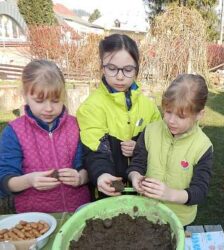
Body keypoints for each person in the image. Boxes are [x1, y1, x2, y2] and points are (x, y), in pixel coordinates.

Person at [77, 34, 161, 198]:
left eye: (128, 70)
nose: (120, 76)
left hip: (143, 187)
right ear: (102, 66)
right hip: (111, 188)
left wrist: (139, 146)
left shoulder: (149, 107)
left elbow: (161, 142)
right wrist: (102, 175)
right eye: (112, 68)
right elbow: (95, 152)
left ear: (137, 68)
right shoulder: (91, 107)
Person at [0, 60, 90, 213]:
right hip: (35, 216)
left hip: (77, 210)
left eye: (55, 101)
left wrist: (81, 178)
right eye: (39, 101)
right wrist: (29, 180)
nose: (48, 108)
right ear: (25, 95)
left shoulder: (76, 125)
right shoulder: (13, 132)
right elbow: (6, 180)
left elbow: (87, 165)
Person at [127, 74, 213, 226]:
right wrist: (135, 177)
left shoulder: (203, 146)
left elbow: (200, 191)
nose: (171, 120)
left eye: (181, 116)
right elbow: (137, 164)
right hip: (147, 212)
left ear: (199, 114)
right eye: (167, 111)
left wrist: (170, 194)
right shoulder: (150, 132)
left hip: (179, 220)